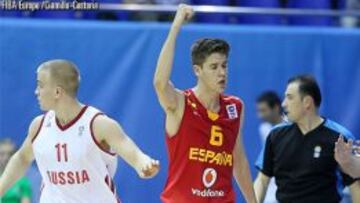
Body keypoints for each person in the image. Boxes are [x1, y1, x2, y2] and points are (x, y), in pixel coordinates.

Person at [0, 59, 160, 203]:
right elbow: (22, 158)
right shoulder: (39, 125)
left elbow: (132, 151)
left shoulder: (98, 124)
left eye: (40, 85)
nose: (36, 91)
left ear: (57, 92)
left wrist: (143, 163)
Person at [153, 4, 257, 203]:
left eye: (225, 65)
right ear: (197, 70)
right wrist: (176, 26)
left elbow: (239, 161)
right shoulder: (180, 103)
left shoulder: (235, 107)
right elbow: (159, 82)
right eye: (214, 67)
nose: (222, 72)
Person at [254, 74, 360, 203]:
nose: (283, 104)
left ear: (307, 102)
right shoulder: (275, 135)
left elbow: (355, 184)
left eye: (290, 98)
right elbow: (262, 180)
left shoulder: (339, 138)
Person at [254, 91, 284, 203]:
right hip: (270, 184)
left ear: (276, 108)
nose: (260, 115)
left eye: (263, 110)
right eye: (259, 111)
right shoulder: (264, 129)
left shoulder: (291, 127)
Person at [0, 139, 32, 203]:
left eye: (10, 154)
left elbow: (26, 200)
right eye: (2, 154)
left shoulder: (22, 181)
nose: (6, 157)